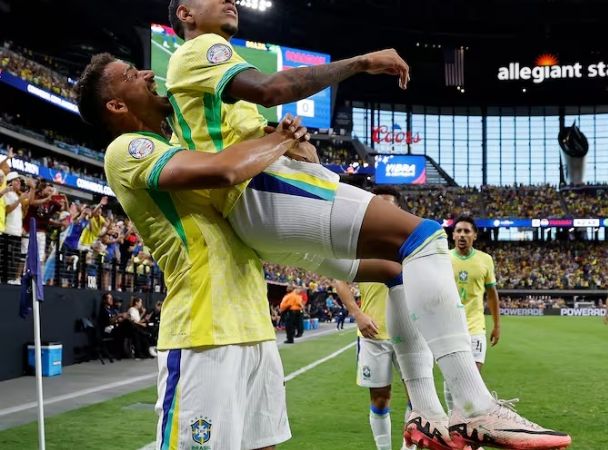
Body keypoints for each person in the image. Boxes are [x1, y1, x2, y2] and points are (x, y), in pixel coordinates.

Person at [166, 2, 570, 447]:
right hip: (258, 193)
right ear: (185, 13)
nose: (229, 0)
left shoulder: (208, 93)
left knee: (396, 271)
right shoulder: (201, 48)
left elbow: (246, 122)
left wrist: (286, 141)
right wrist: (361, 62)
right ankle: (474, 406)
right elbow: (272, 86)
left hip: (258, 211)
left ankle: (426, 414)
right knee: (426, 238)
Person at [77, 54, 311, 449]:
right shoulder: (127, 149)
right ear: (116, 105)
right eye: (132, 75)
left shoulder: (180, 143)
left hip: (253, 324)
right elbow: (224, 170)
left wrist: (290, 142)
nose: (149, 74)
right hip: (203, 332)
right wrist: (278, 139)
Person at [335, 187, 417, 450]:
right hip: (374, 335)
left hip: (411, 335)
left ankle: (409, 447)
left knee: (417, 398)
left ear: (398, 209)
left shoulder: (413, 244)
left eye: (389, 205)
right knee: (380, 399)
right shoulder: (359, 244)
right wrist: (358, 314)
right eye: (378, 205)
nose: (384, 210)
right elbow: (339, 281)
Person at [446, 216, 500, 412]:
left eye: (467, 231)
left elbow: (492, 295)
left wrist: (497, 325)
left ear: (474, 236)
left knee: (472, 380)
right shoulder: (443, 257)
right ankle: (456, 424)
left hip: (475, 327)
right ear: (452, 235)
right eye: (458, 231)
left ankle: (467, 427)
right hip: (449, 327)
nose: (462, 235)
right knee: (452, 379)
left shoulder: (485, 260)